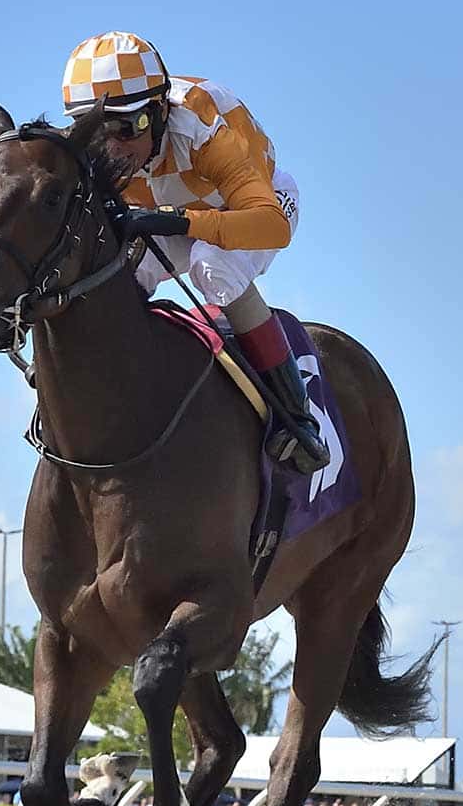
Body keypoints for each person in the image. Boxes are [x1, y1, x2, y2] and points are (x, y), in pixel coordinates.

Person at [59, 31, 328, 474]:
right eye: (96, 133)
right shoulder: (96, 151)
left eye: (127, 129)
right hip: (169, 215)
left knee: (212, 266)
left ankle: (297, 415)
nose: (112, 151)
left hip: (255, 206)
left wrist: (178, 220)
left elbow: (271, 226)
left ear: (160, 110)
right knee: (114, 273)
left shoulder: (205, 126)